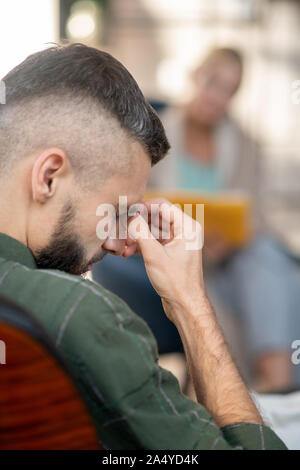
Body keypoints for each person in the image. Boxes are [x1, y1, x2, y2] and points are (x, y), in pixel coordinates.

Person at [0, 43, 286, 450]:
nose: (120, 242)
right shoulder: (82, 316)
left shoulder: (244, 144)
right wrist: (189, 301)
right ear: (48, 177)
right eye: (114, 211)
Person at [95, 47, 300, 393]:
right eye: (213, 83)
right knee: (265, 273)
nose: (218, 97)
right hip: (173, 252)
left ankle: (271, 384)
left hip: (231, 256)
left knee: (266, 258)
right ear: (194, 75)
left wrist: (231, 238)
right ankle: (271, 389)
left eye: (229, 91)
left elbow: (258, 217)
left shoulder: (247, 146)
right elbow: (131, 204)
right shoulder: (151, 136)